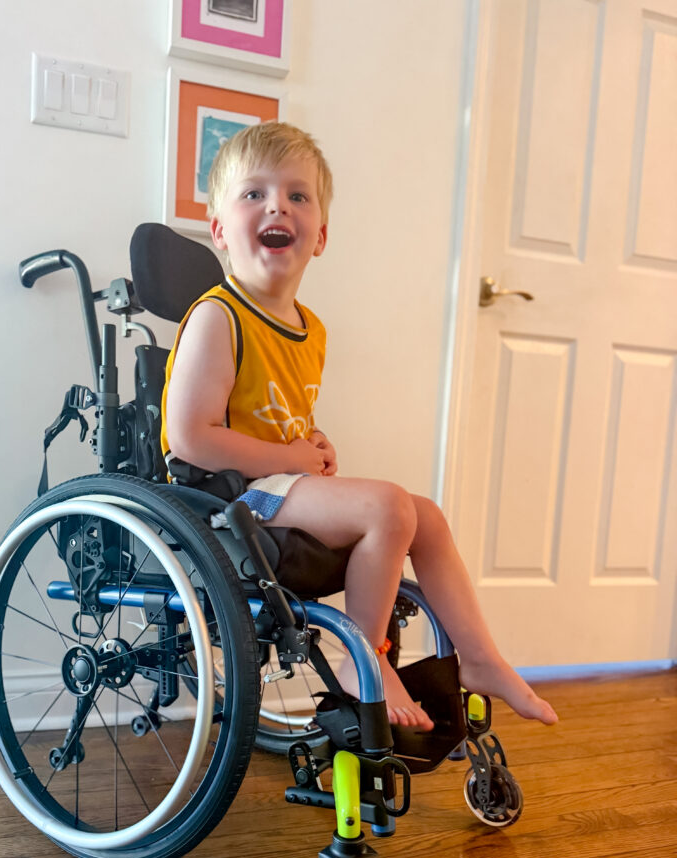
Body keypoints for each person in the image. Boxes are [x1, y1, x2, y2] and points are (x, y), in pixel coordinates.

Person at [161, 121, 558, 731]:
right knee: (390, 508)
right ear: (219, 230)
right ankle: (361, 654)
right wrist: (289, 458)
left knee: (425, 515)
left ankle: (478, 656)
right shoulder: (220, 316)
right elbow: (190, 438)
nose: (277, 206)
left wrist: (313, 445)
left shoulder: (308, 328)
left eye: (298, 195)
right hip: (224, 493)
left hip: (275, 484)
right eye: (254, 195)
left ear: (319, 236)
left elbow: (282, 416)